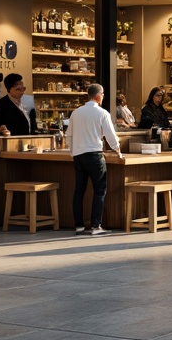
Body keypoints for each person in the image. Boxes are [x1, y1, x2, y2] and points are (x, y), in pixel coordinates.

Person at [67, 83, 122, 235]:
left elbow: (68, 136)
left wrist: (73, 153)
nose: (103, 97)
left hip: (79, 156)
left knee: (79, 191)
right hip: (95, 155)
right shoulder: (102, 113)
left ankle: (78, 225)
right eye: (103, 94)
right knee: (99, 190)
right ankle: (95, 225)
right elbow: (110, 136)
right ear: (98, 96)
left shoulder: (76, 113)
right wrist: (118, 150)